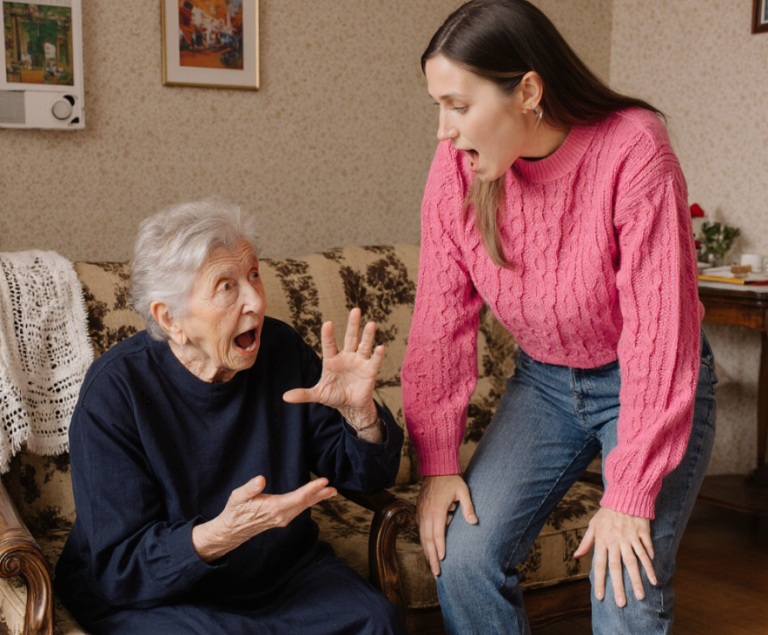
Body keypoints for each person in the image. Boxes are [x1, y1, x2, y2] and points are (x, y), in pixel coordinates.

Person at [400, 1, 717, 634]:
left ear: (528, 91)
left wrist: (627, 494)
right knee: (461, 561)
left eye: (459, 106)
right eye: (438, 105)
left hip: (644, 382)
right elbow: (441, 321)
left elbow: (661, 335)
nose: (444, 130)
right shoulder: (456, 168)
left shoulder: (633, 148)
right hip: (544, 383)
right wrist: (437, 466)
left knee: (622, 580)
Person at [55, 199, 407, 635]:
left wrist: (360, 415)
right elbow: (120, 567)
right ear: (171, 319)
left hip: (278, 574)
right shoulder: (115, 393)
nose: (256, 301)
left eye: (254, 275)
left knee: (376, 620)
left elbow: (365, 478)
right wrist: (222, 533)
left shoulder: (280, 351)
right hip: (158, 595)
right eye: (226, 286)